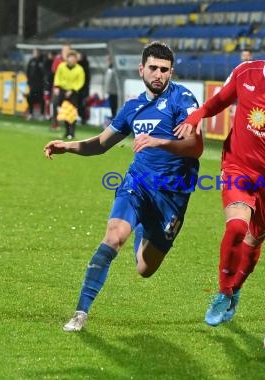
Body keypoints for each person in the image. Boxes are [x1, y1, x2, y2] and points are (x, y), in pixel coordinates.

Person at [43, 41, 203, 332]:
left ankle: (144, 226)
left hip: (172, 194)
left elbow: (195, 146)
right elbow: (102, 143)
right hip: (137, 183)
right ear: (141, 69)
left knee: (145, 268)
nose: (158, 74)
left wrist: (158, 141)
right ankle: (80, 313)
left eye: (164, 70)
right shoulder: (132, 107)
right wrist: (70, 145)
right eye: (153, 68)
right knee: (114, 238)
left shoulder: (184, 100)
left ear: (171, 72)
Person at [175, 18, 265, 327]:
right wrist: (196, 116)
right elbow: (218, 101)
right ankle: (223, 291)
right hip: (237, 165)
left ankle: (236, 289)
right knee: (237, 229)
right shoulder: (246, 73)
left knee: (254, 242)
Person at [53, 50, 85, 139]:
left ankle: (72, 132)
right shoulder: (61, 66)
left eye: (73, 58)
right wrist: (56, 87)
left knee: (72, 112)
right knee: (64, 112)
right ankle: (66, 131)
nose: (71, 60)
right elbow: (57, 77)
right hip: (62, 91)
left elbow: (81, 82)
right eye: (70, 57)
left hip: (73, 93)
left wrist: (72, 90)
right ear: (67, 58)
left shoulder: (79, 69)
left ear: (76, 59)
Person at [25, 48, 45, 120]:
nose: (35, 53)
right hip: (32, 84)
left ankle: (42, 115)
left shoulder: (42, 61)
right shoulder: (31, 61)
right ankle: (30, 113)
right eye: (34, 52)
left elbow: (44, 72)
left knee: (41, 99)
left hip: (40, 84)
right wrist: (28, 80)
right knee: (30, 98)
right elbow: (27, 71)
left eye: (36, 52)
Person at [77, 51, 91, 124]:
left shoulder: (83, 66)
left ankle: (83, 118)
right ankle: (81, 118)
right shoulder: (78, 65)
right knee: (79, 104)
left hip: (83, 89)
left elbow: (87, 79)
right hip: (79, 88)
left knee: (81, 104)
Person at [103, 54, 119, 118]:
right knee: (112, 104)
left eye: (109, 59)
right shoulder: (108, 67)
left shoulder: (115, 68)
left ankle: (115, 116)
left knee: (115, 104)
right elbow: (107, 80)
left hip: (116, 90)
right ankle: (113, 116)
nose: (108, 61)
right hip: (110, 90)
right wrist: (106, 90)